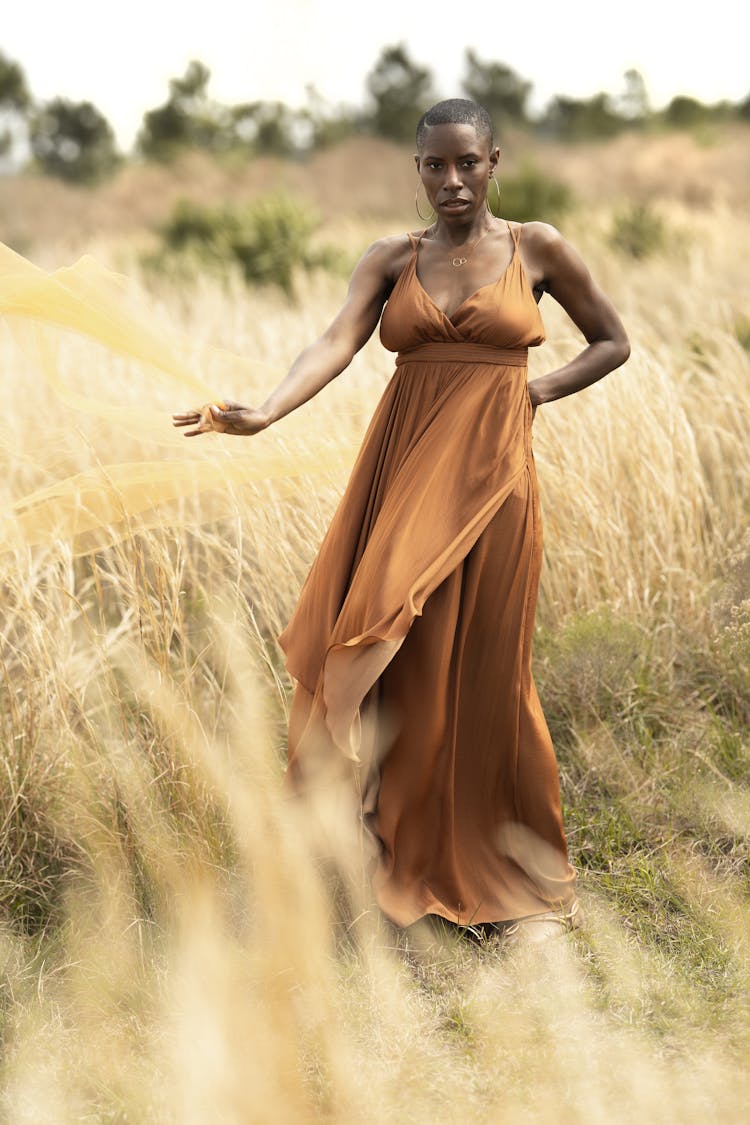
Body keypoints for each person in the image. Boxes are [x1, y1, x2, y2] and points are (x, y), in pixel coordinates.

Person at [173, 98, 630, 943]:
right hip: (404, 468)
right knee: (385, 644)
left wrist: (530, 392)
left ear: (496, 161)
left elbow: (612, 341)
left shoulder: (538, 247)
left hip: (494, 479)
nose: (451, 181)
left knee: (489, 671)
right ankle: (383, 864)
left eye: (468, 162)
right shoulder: (392, 257)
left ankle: (505, 879)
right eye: (434, 166)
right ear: (416, 171)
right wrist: (267, 411)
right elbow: (336, 341)